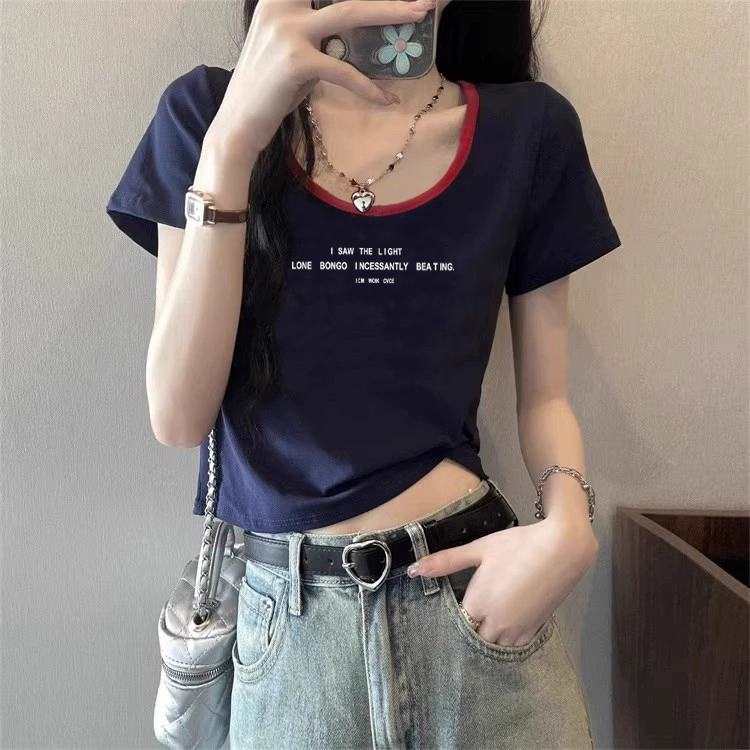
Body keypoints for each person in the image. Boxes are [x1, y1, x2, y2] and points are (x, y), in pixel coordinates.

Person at [106, 0, 622, 746]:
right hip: (292, 639)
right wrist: (234, 142)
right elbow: (178, 416)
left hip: (476, 616)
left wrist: (569, 526)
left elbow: (545, 398)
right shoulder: (207, 113)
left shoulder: (529, 130)